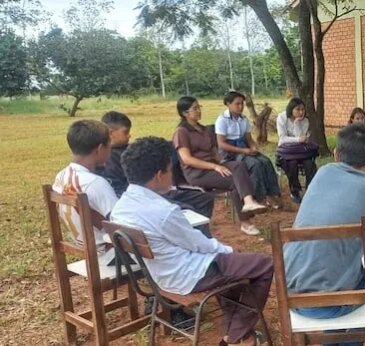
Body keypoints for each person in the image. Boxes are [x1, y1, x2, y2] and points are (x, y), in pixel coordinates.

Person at [111, 137, 273, 346]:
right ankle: (238, 337)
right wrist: (229, 250)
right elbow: (199, 244)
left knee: (235, 267)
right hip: (190, 276)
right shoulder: (164, 212)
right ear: (159, 175)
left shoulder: (120, 208)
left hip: (160, 276)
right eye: (170, 170)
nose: (172, 174)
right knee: (264, 264)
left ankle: (233, 329)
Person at [284, 123, 365, 346]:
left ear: (336, 152)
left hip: (292, 294)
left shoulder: (322, 173)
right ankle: (351, 341)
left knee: (336, 270)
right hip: (331, 304)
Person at [96, 111, 215, 238]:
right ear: (110, 132)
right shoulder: (109, 157)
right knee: (186, 209)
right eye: (125, 132)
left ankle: (200, 234)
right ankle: (190, 238)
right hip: (143, 195)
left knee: (204, 199)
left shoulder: (130, 149)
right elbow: (118, 188)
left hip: (157, 188)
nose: (129, 135)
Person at [171, 96, 266, 236]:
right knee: (236, 182)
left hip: (213, 166)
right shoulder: (181, 132)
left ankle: (248, 202)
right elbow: (187, 159)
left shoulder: (204, 129)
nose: (199, 111)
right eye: (195, 109)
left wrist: (222, 163)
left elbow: (214, 152)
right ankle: (246, 221)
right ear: (185, 113)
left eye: (199, 107)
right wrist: (214, 167)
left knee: (238, 166)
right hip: (197, 172)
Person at [52, 120, 116, 263]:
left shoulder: (60, 176)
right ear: (100, 148)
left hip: (84, 248)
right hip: (107, 254)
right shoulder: (95, 183)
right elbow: (122, 223)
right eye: (109, 145)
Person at [215, 91, 281, 209]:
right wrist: (243, 151)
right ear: (228, 104)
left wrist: (253, 147)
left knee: (266, 161)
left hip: (244, 149)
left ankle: (271, 195)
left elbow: (248, 139)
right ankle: (257, 197)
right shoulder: (222, 120)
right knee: (255, 164)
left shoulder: (243, 119)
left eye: (242, 104)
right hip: (230, 154)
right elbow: (222, 144)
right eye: (237, 104)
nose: (241, 106)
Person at [276, 97, 318, 204]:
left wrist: (296, 123)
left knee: (310, 164)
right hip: (287, 153)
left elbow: (302, 139)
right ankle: (295, 191)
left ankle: (310, 190)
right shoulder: (282, 118)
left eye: (303, 109)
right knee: (292, 163)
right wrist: (297, 139)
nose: (301, 112)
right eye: (298, 109)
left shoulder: (305, 121)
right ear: (291, 109)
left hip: (300, 152)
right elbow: (282, 139)